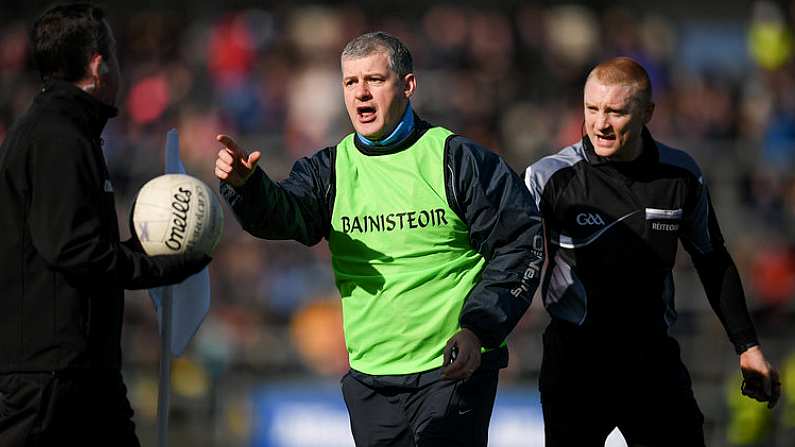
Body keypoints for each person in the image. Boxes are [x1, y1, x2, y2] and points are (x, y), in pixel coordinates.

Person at [215, 31, 543, 446]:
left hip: (453, 369)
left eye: (375, 80)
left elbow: (520, 241)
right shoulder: (330, 169)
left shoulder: (457, 160)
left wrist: (479, 329)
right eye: (351, 83)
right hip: (372, 381)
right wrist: (248, 187)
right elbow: (285, 216)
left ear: (407, 86)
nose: (361, 94)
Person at [524, 57, 781, 446]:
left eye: (616, 111)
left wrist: (747, 345)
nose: (600, 123)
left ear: (647, 113)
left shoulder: (680, 175)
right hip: (576, 363)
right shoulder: (548, 177)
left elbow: (712, 259)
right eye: (592, 109)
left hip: (651, 360)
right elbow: (510, 258)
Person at [0, 4, 210, 446]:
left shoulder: (66, 131)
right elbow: (72, 252)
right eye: (114, 54)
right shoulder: (56, 137)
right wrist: (162, 268)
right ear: (98, 66)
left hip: (81, 372)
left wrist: (140, 250)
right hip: (51, 378)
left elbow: (79, 245)